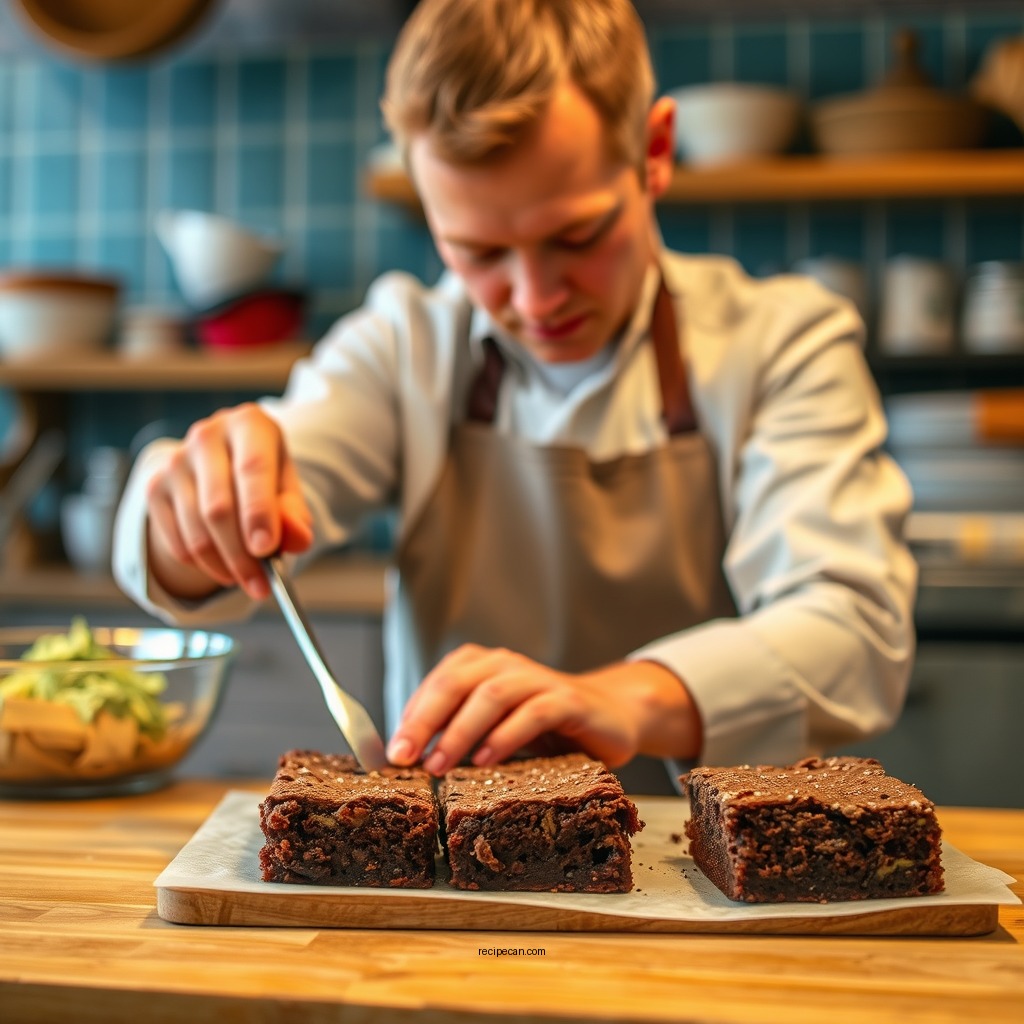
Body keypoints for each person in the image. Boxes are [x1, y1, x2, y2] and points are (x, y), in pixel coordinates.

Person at [113, 0, 916, 794]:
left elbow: (854, 631)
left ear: (655, 151)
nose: (535, 299)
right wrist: (191, 509)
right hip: (447, 872)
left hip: (704, 875)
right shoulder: (405, 344)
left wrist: (623, 697)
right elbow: (255, 492)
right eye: (478, 251)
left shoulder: (782, 342)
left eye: (577, 237)